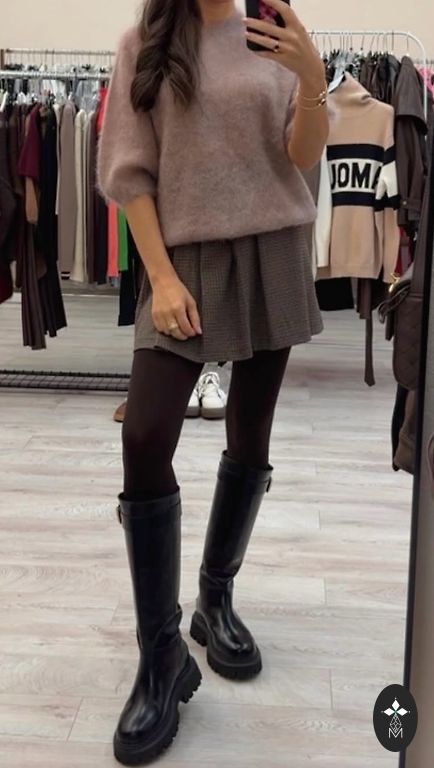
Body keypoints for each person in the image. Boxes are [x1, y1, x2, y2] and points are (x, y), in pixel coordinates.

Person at [97, 0, 328, 763]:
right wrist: (161, 278)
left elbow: (301, 156)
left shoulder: (272, 31)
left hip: (274, 247)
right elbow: (129, 173)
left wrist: (312, 77)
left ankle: (215, 598)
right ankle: (160, 654)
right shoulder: (145, 42)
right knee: (145, 436)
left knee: (249, 432)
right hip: (184, 257)